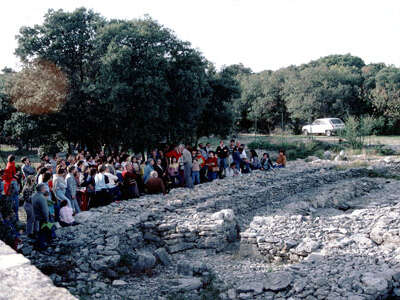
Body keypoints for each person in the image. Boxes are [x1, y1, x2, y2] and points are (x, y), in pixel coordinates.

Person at [32, 183, 51, 250]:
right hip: (42, 217)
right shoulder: (42, 198)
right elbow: (45, 211)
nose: (45, 189)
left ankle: (38, 244)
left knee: (39, 231)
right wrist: (47, 220)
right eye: (44, 188)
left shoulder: (33, 195)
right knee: (43, 232)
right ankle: (42, 246)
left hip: (35, 216)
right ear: (42, 189)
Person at [2, 155, 19, 221]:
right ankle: (16, 218)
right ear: (13, 159)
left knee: (11, 199)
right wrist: (15, 176)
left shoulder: (9, 164)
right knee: (15, 196)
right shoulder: (12, 164)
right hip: (11, 181)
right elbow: (13, 173)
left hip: (8, 182)